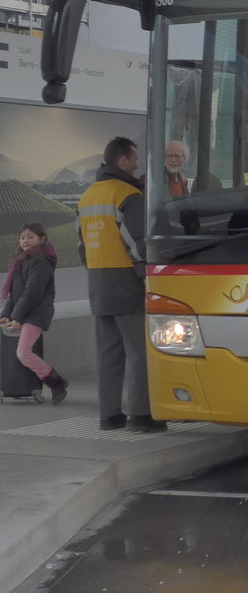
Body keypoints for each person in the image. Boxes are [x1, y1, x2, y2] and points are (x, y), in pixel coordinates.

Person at [77, 136, 166, 433]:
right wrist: (148, 275)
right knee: (140, 351)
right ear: (123, 161)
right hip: (126, 280)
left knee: (108, 352)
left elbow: (82, 246)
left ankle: (109, 416)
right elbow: (137, 242)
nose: (137, 164)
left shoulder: (88, 195)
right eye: (134, 158)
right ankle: (140, 415)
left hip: (98, 281)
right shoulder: (127, 194)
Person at [0, 223, 68, 404]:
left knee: (23, 352)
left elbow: (32, 293)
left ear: (41, 239)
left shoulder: (41, 261)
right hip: (25, 311)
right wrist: (6, 314)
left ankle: (57, 383)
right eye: (22, 237)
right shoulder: (21, 261)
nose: (25, 241)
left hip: (36, 312)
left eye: (30, 237)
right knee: (22, 352)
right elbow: (15, 293)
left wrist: (17, 318)